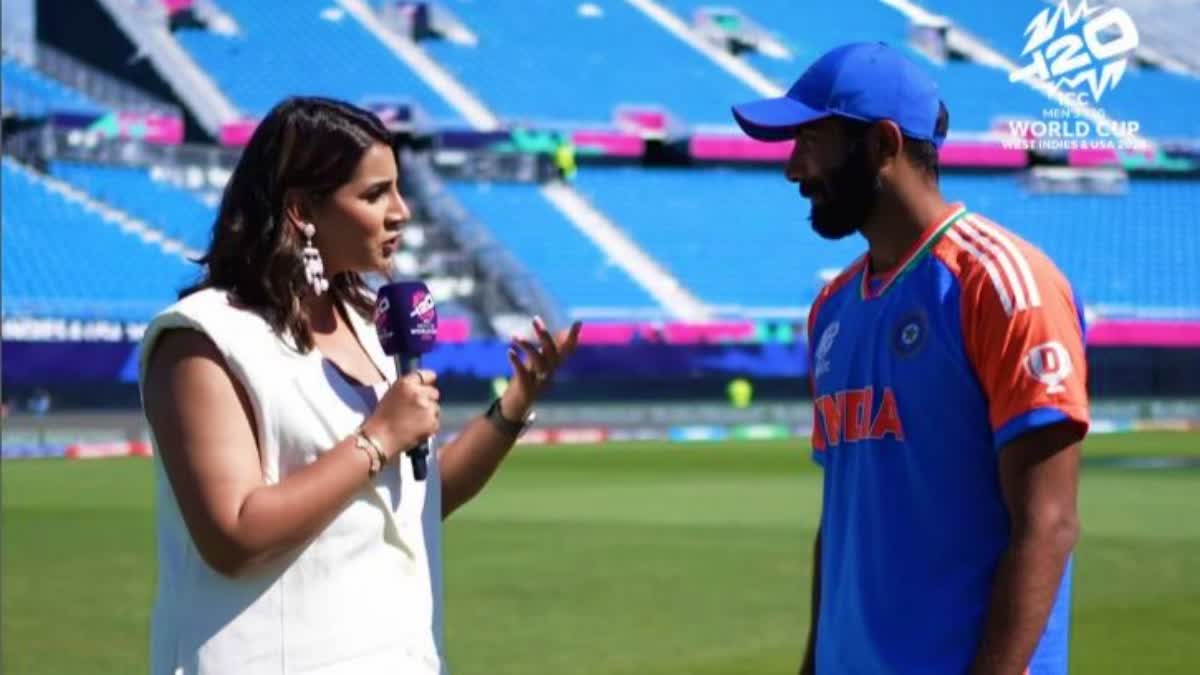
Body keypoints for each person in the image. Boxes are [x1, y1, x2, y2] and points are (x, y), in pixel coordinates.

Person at [140, 96, 581, 675]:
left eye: (397, 189)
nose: (401, 211)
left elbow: (412, 504)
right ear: (301, 210)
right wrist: (375, 439)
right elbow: (234, 535)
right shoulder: (204, 338)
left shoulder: (374, 324)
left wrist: (514, 406)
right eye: (374, 194)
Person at [732, 43, 1089, 675]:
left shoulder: (1003, 284)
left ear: (883, 145)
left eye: (809, 140)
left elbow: (1048, 523)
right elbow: (841, 520)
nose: (793, 168)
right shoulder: (832, 309)